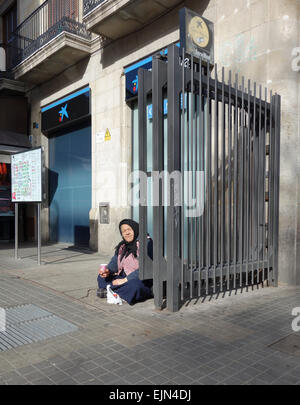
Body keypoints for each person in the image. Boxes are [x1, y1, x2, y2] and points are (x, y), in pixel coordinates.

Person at [97, 219, 153, 305]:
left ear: (135, 229)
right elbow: (115, 262)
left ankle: (111, 291)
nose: (127, 233)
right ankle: (115, 292)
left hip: (140, 279)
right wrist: (107, 270)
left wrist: (124, 280)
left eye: (129, 230)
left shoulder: (146, 243)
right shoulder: (122, 245)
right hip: (123, 276)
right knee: (101, 278)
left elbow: (146, 268)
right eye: (124, 231)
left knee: (134, 287)